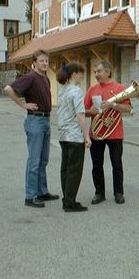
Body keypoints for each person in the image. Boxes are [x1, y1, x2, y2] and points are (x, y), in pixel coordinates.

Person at [4, 50, 59, 208]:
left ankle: (42, 192)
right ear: (34, 62)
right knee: (34, 161)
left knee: (43, 160)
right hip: (35, 121)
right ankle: (30, 196)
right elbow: (8, 89)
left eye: (47, 60)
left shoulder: (46, 79)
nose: (45, 63)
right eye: (42, 60)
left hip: (46, 120)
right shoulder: (30, 77)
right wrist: (23, 104)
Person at [85, 61, 132, 205]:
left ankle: (118, 193)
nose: (96, 74)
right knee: (96, 165)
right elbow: (83, 111)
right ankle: (99, 193)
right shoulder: (92, 89)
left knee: (117, 164)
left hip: (115, 133)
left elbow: (129, 109)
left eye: (99, 71)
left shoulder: (119, 88)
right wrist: (90, 111)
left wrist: (113, 105)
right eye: (95, 72)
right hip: (96, 133)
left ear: (108, 72)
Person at [56, 62, 91, 212]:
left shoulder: (61, 90)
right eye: (81, 73)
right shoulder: (76, 91)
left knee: (65, 168)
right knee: (75, 170)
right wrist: (87, 136)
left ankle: (67, 198)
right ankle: (70, 203)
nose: (82, 76)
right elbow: (80, 115)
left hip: (63, 135)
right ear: (74, 74)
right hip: (75, 136)